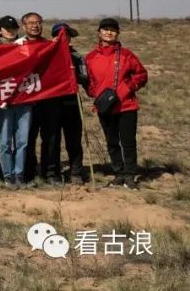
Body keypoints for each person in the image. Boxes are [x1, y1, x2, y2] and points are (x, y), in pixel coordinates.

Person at [85, 18, 148, 189]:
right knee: (112, 142)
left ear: (118, 33)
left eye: (113, 29)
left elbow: (141, 75)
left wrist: (127, 88)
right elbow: (89, 82)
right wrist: (95, 94)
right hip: (104, 107)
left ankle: (130, 176)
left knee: (128, 142)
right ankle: (119, 174)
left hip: (126, 105)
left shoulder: (127, 55)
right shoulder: (91, 57)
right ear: (99, 32)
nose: (109, 32)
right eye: (105, 29)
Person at [0, 15, 30, 189]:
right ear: (0, 30)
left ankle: (19, 174)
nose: (10, 31)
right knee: (5, 140)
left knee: (23, 139)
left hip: (24, 99)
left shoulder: (25, 47)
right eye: (6, 29)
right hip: (3, 101)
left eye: (13, 28)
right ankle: (8, 175)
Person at [52, 22, 90, 184]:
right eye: (61, 35)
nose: (64, 38)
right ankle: (53, 172)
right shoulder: (47, 53)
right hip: (52, 103)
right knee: (52, 140)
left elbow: (84, 77)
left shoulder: (77, 56)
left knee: (74, 139)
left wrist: (75, 74)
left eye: (67, 35)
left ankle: (76, 171)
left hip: (72, 103)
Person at [19, 12, 49, 186]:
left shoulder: (48, 45)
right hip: (26, 99)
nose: (35, 26)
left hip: (47, 97)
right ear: (24, 26)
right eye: (31, 23)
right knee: (27, 138)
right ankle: (28, 172)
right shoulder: (19, 45)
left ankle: (48, 172)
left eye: (38, 22)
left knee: (50, 137)